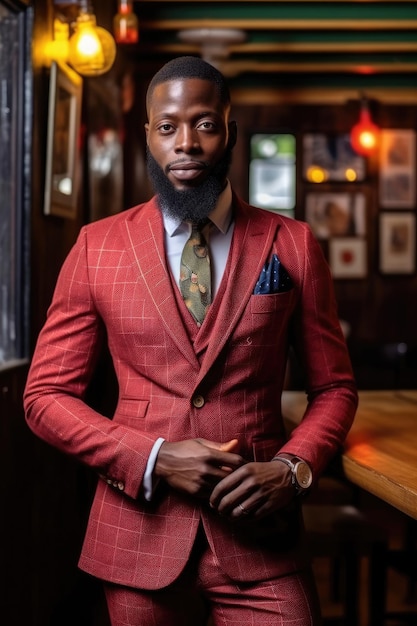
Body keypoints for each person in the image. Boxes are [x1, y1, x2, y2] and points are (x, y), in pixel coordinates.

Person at [24, 56, 358, 626]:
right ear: (148, 136)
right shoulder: (95, 247)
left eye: (204, 124)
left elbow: (335, 388)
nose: (187, 144)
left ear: (229, 131)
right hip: (137, 534)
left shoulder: (293, 244)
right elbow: (45, 397)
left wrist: (294, 467)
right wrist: (152, 457)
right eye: (167, 127)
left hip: (262, 541)